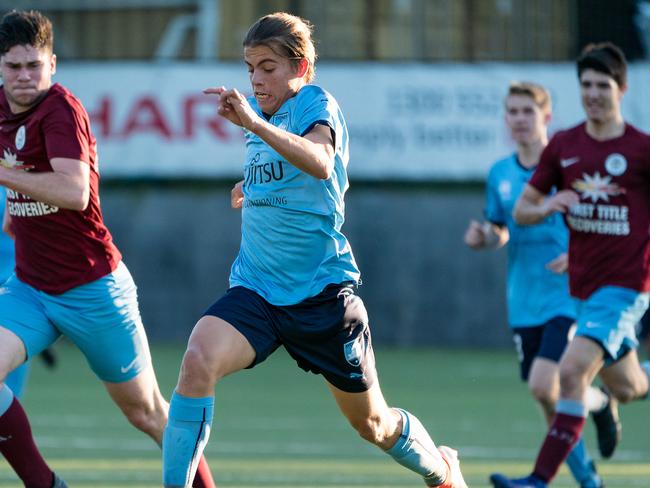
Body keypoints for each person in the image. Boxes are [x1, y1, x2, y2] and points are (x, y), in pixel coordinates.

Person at [162, 11, 467, 488]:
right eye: (249, 68)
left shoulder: (313, 101)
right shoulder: (260, 115)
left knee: (374, 425)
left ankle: (443, 471)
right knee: (198, 358)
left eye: (268, 67)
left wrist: (255, 125)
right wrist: (249, 185)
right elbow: (286, 174)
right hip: (258, 291)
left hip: (322, 297)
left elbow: (322, 163)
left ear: (300, 68)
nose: (256, 79)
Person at [0, 10, 216, 488]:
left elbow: (75, 191)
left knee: (148, 414)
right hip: (33, 288)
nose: (24, 77)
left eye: (33, 66)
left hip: (93, 289)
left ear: (52, 65)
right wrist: (20, 218)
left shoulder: (59, 110)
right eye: (14, 67)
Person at [490, 42, 650, 488]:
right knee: (625, 386)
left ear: (622, 88)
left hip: (625, 287)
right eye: (586, 85)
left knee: (570, 372)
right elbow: (521, 211)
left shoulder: (641, 150)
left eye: (603, 85)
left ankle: (539, 480)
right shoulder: (564, 145)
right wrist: (547, 206)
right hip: (582, 288)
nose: (594, 93)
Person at [465, 82, 616, 488]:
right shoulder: (500, 173)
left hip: (568, 294)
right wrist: (485, 237)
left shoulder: (569, 167)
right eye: (512, 112)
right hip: (523, 299)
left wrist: (580, 255)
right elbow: (501, 228)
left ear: (546, 117)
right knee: (549, 397)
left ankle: (546, 474)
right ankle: (595, 431)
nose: (518, 120)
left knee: (544, 383)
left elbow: (603, 220)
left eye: (527, 112)